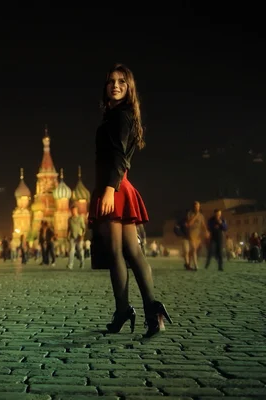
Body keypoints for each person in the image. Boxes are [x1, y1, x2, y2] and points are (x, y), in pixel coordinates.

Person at [88, 64, 171, 338]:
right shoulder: (120, 115)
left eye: (121, 82)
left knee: (117, 254)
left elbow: (119, 156)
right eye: (111, 81)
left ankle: (126, 310)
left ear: (129, 87)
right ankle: (151, 311)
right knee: (132, 253)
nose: (115, 85)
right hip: (118, 186)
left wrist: (110, 189)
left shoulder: (120, 117)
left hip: (115, 188)